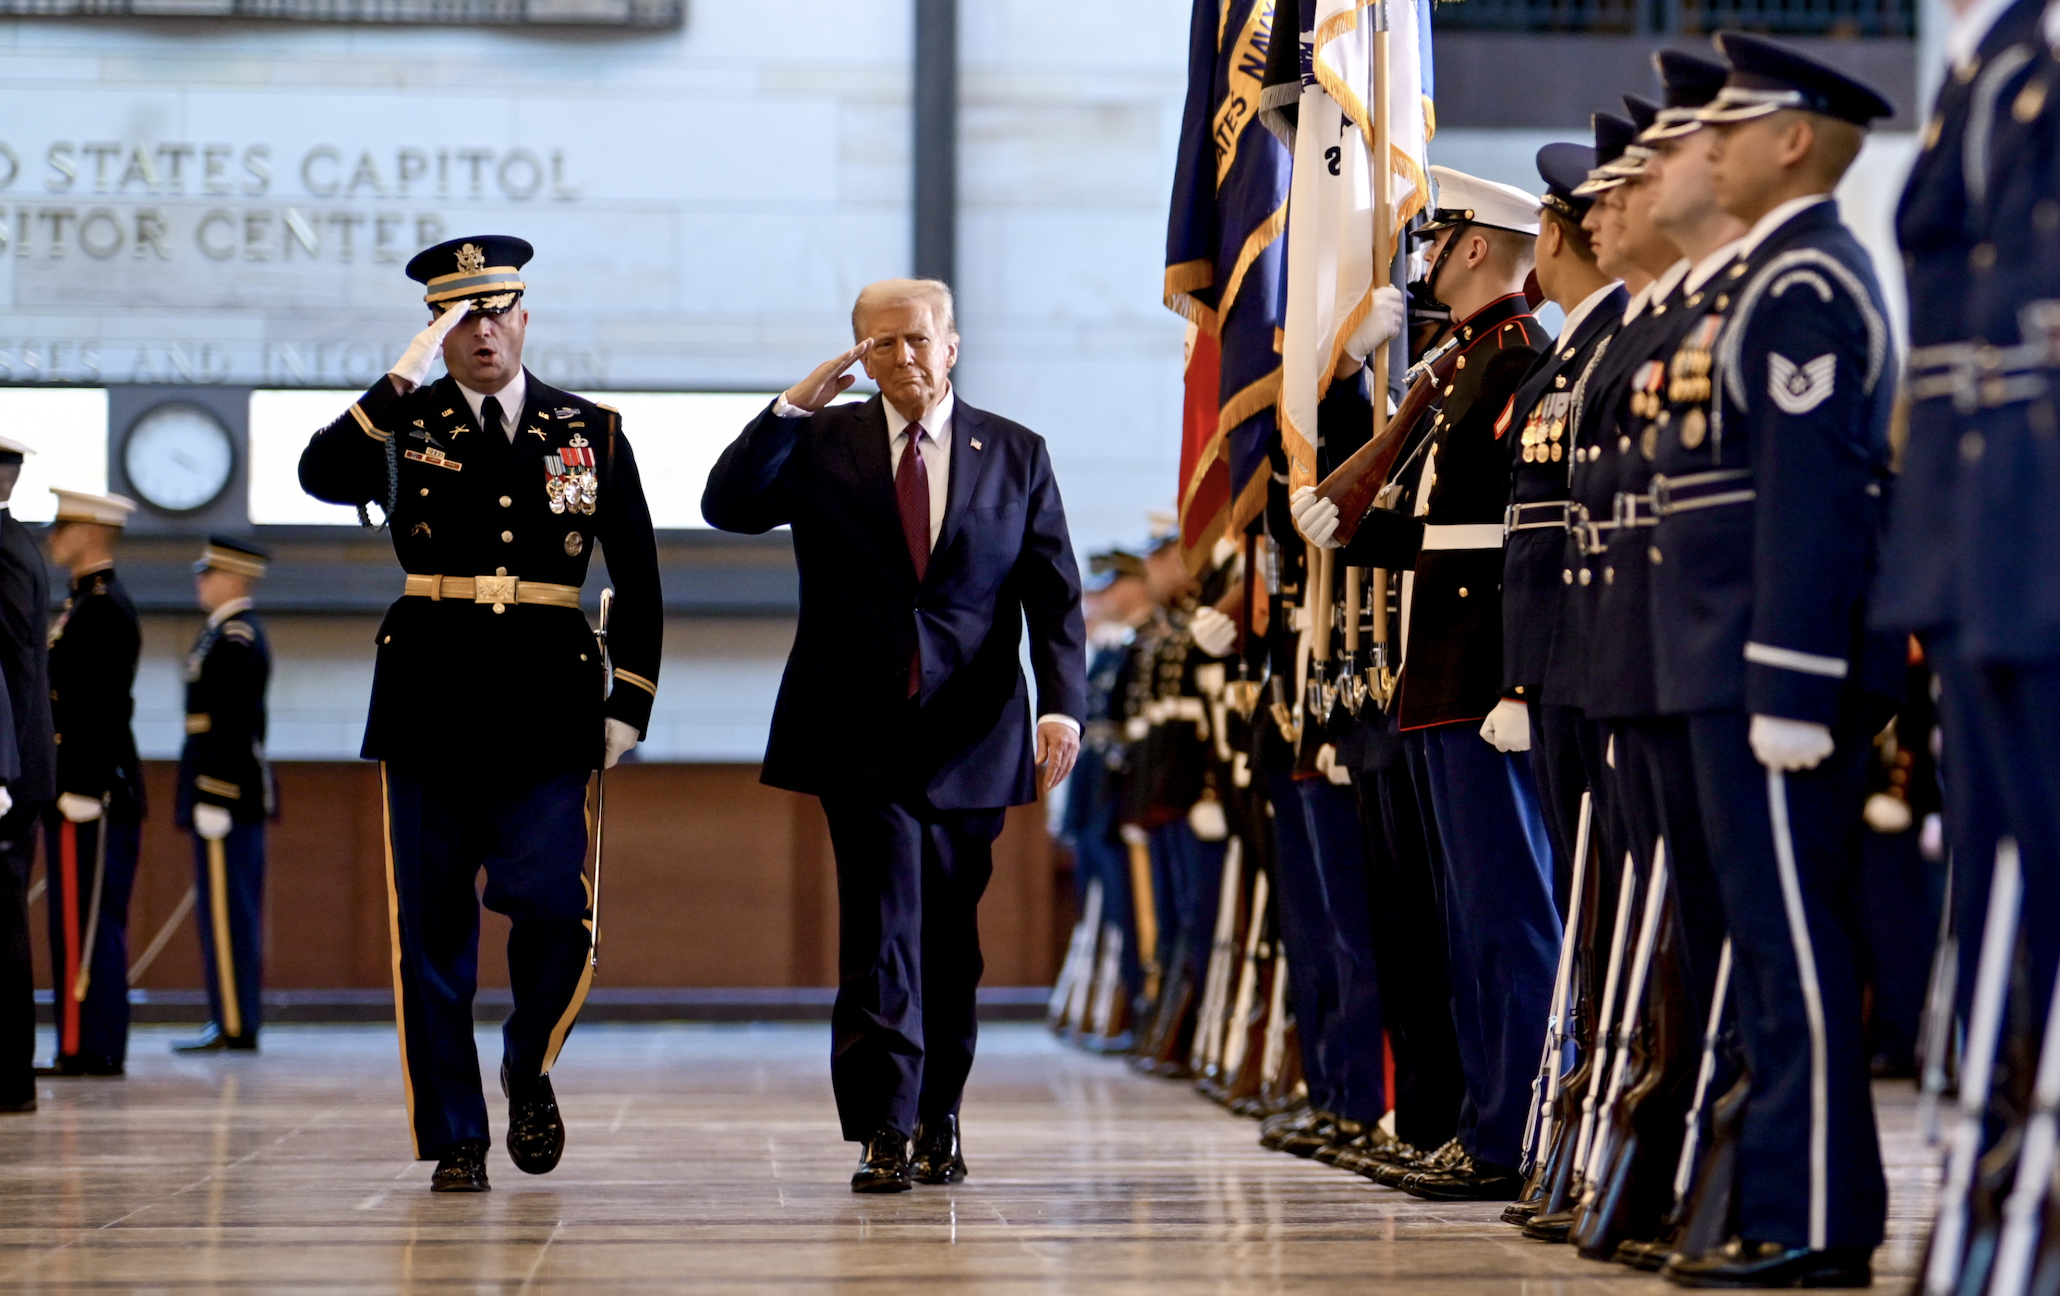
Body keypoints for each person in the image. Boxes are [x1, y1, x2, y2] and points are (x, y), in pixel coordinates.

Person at [702, 276, 1088, 1193]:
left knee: (949, 935)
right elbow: (728, 503)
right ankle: (883, 1125)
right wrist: (790, 407)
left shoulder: (1016, 452)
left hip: (975, 733)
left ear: (952, 345)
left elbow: (1054, 591)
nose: (901, 358)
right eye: (880, 345)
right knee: (882, 928)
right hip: (857, 728)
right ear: (858, 354)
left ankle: (939, 1113)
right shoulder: (822, 441)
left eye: (917, 340)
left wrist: (1062, 703)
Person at [299, 235, 663, 1193]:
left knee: (553, 905)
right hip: (429, 697)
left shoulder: (591, 430)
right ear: (439, 332)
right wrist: (397, 376)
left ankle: (528, 1060)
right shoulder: (404, 426)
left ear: (525, 320)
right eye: (460, 317)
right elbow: (319, 472)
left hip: (548, 700)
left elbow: (642, 578)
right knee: (430, 930)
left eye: (497, 310)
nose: (483, 329)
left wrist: (630, 701)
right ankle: (457, 1134)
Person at [1641, 35, 1898, 1289]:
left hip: (1767, 682)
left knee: (1795, 946)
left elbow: (1813, 499)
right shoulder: (1761, 283)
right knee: (1765, 939)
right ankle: (1783, 1198)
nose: (1707, 146)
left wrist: (1793, 679)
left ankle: (1814, 1215)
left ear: (1792, 140)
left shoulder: (1804, 287)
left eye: (1729, 129)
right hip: (1719, 672)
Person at [1292, 168, 1562, 1201]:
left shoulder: (1513, 362)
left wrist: (1515, 680)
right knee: (1465, 922)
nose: (1427, 251)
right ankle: (1482, 1125)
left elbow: (1514, 543)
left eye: (1441, 235)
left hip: (1478, 676)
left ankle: (1513, 1134)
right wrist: (1349, 530)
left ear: (1478, 248)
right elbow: (1444, 539)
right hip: (1436, 675)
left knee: (1507, 919)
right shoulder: (1460, 369)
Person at [38, 490, 145, 1078]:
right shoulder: (81, 605)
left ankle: (95, 1046)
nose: (53, 537)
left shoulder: (104, 608)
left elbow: (102, 709)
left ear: (92, 533)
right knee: (72, 921)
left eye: (63, 526)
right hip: (75, 789)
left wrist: (84, 783)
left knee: (92, 921)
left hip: (94, 793)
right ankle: (78, 1043)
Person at [174, 537, 274, 1057]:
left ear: (234, 577)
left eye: (209, 573)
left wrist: (214, 792)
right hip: (221, 794)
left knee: (230, 915)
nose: (201, 581)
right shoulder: (220, 635)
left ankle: (235, 1022)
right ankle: (228, 1016)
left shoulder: (236, 638)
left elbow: (233, 726)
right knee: (223, 914)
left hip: (227, 796)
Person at [0, 436, 47, 1113]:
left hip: (3, 761)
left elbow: (9, 660)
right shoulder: (16, 539)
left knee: (0, 917)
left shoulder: (4, 546)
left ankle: (10, 1077)